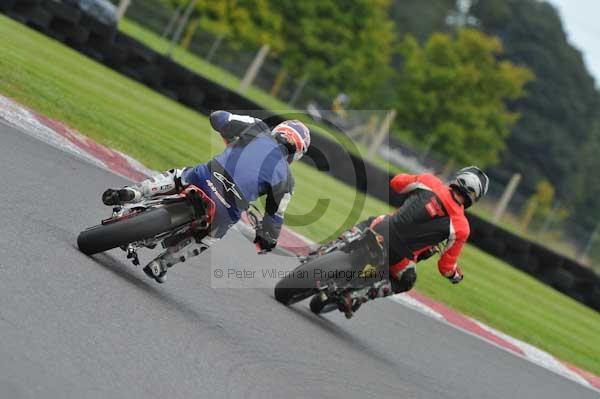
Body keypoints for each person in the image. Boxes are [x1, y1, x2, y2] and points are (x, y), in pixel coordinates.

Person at [101, 111, 311, 283]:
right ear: (296, 153)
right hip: (226, 210)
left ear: (279, 131)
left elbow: (218, 117)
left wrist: (230, 139)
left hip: (204, 178)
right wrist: (267, 242)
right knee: (210, 237)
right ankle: (162, 264)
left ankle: (132, 193)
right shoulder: (287, 181)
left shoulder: (257, 127)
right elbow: (274, 220)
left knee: (178, 177)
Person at [339, 167, 489, 316]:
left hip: (382, 228)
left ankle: (339, 242)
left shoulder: (429, 181)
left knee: (371, 222)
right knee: (407, 281)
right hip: (399, 255)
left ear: (458, 178)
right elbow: (446, 267)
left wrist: (416, 183)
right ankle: (357, 295)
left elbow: (396, 182)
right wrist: (456, 275)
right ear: (474, 197)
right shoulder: (461, 226)